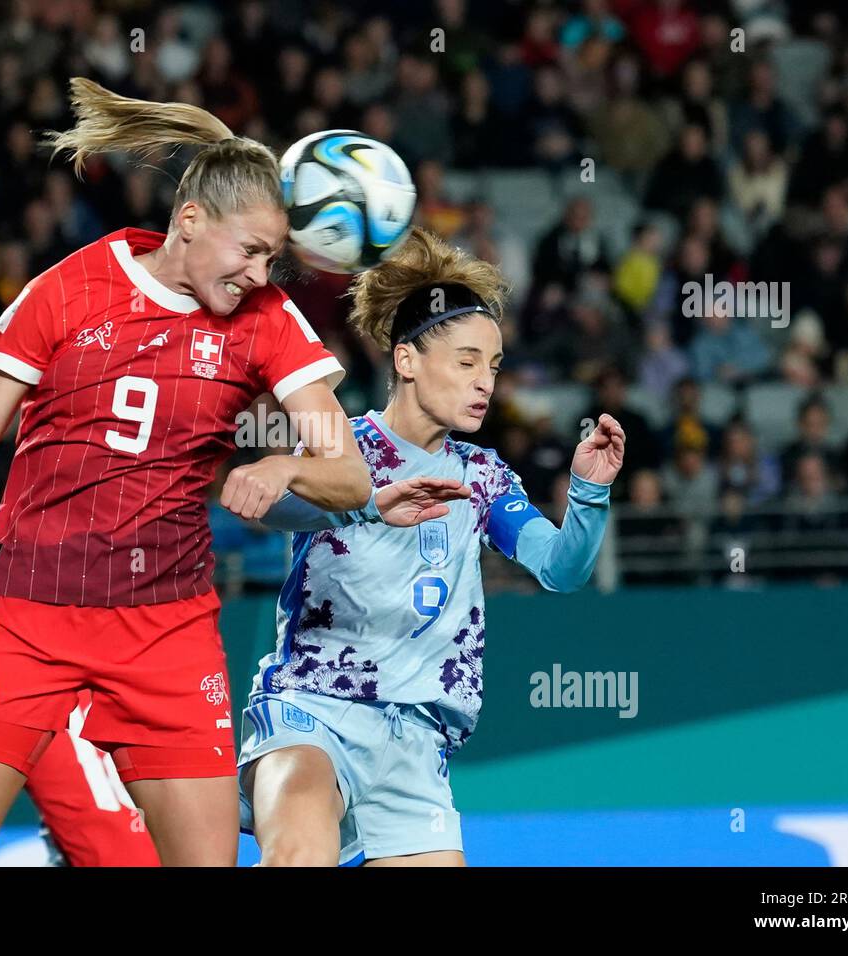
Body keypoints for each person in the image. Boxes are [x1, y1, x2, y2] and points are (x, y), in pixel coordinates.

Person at [0, 79, 459, 867]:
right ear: (188, 223)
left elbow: (349, 477)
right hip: (27, 617)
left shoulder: (265, 322)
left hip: (167, 635)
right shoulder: (73, 286)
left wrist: (283, 465)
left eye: (272, 258)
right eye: (248, 252)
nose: (258, 274)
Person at [237, 229, 625, 865]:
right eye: (467, 361)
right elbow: (274, 509)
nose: (485, 383)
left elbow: (561, 570)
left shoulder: (484, 476)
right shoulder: (342, 450)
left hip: (417, 741)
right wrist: (287, 474)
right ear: (407, 360)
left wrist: (588, 491)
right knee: (300, 854)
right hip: (313, 713)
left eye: (493, 367)